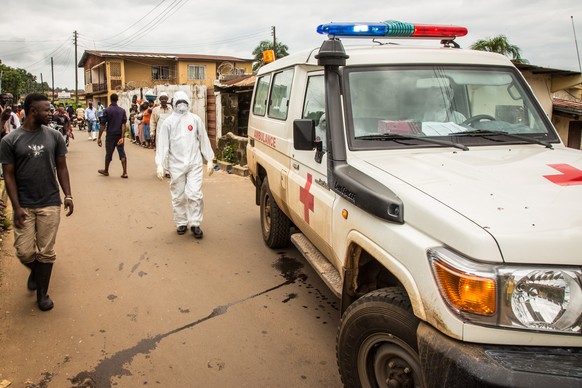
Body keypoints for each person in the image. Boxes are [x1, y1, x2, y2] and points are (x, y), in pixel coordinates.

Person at [0, 93, 74, 311]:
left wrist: (68, 195)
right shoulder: (10, 140)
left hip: (50, 201)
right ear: (33, 111)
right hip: (23, 203)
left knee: (46, 251)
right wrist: (16, 206)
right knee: (24, 251)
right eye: (46, 109)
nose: (50, 112)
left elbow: (62, 167)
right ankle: (36, 271)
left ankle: (43, 293)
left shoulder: (55, 136)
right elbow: (9, 176)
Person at [155, 90, 214, 238]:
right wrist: (160, 164)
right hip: (176, 164)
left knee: (195, 194)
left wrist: (210, 159)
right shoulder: (168, 122)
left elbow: (203, 139)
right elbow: (163, 144)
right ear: (174, 103)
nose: (181, 105)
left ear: (188, 102)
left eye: (184, 102)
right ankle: (181, 222)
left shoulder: (195, 120)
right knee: (178, 195)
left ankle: (195, 223)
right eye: (179, 102)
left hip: (194, 163)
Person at [97, 93, 128, 178]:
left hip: (110, 135)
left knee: (109, 153)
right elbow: (123, 125)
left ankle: (106, 170)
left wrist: (99, 137)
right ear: (117, 99)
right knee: (122, 152)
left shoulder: (107, 110)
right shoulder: (122, 111)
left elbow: (102, 125)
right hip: (119, 135)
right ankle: (125, 172)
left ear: (110, 100)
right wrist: (122, 137)